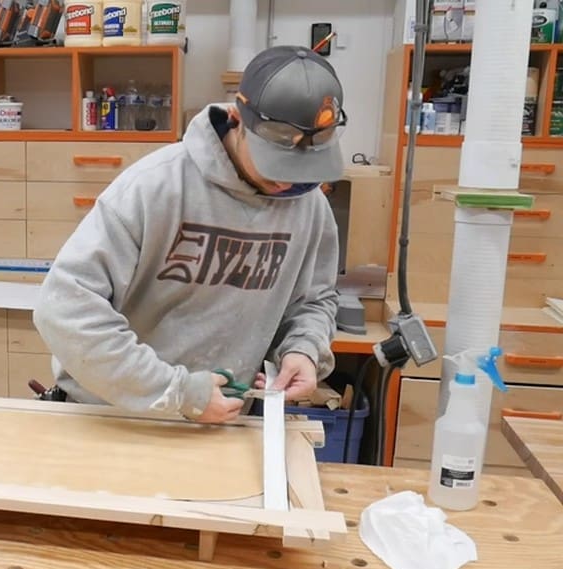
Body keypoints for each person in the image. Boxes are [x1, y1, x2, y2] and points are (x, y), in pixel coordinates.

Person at [31, 45, 346, 424]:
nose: (286, 181)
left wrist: (303, 349)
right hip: (110, 418)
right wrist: (176, 391)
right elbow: (63, 310)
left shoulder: (309, 205)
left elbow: (315, 300)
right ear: (236, 119)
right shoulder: (155, 187)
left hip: (216, 423)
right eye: (274, 163)